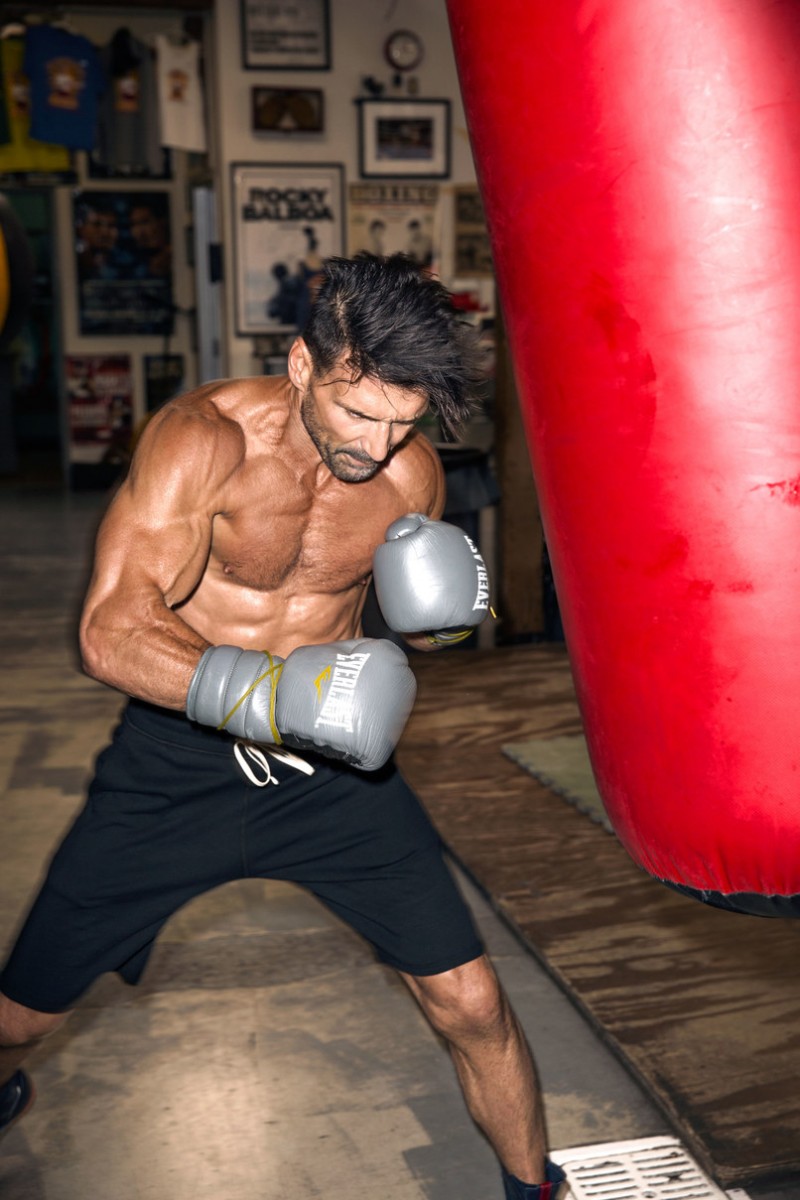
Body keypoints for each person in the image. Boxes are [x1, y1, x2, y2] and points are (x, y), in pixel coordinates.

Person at [0, 253, 566, 1200]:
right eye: (359, 412)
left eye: (403, 419)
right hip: (174, 765)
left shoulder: (409, 473)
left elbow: (397, 638)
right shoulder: (202, 441)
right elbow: (110, 633)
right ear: (304, 363)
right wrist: (275, 698)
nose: (379, 444)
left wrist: (434, 626)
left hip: (334, 772)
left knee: (471, 1001)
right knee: (19, 1018)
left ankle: (535, 1188)